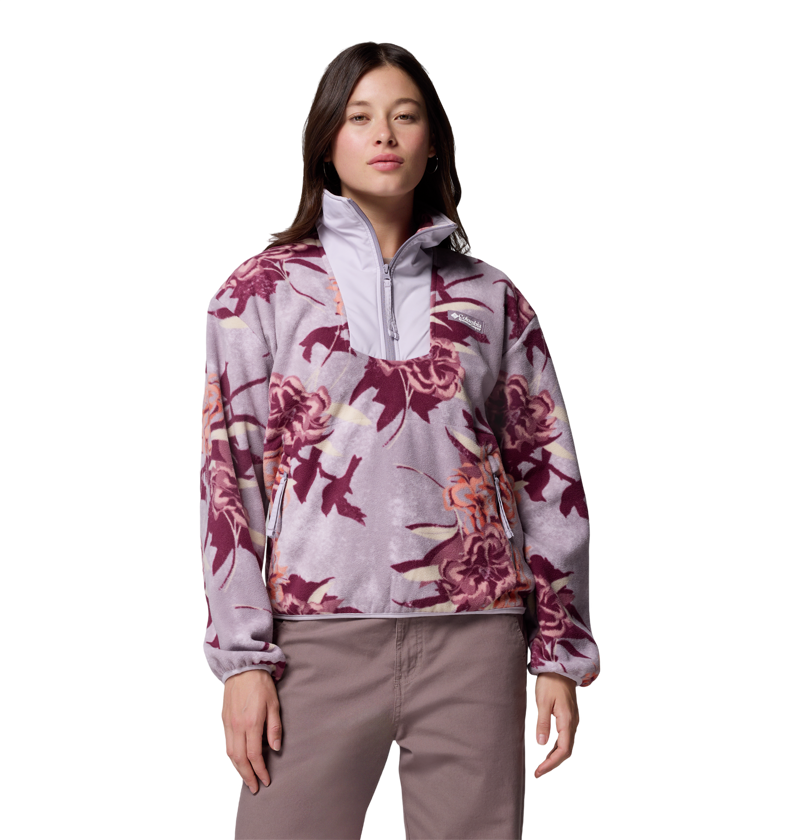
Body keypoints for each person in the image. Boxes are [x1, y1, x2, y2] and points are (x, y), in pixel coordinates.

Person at [200, 40, 603, 840]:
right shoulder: (257, 293)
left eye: (405, 115)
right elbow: (228, 481)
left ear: (434, 143)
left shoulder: (497, 296)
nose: (384, 133)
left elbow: (547, 477)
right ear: (326, 141)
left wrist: (558, 658)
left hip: (476, 642)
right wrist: (243, 662)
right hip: (311, 643)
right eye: (359, 116)